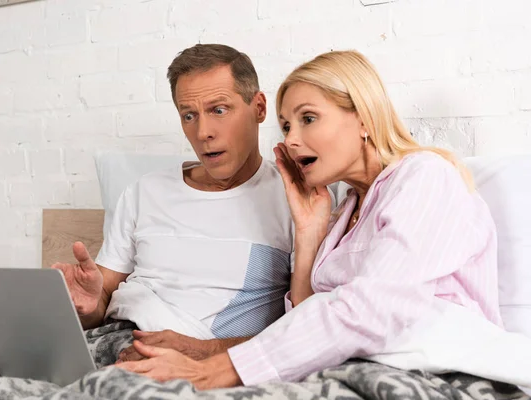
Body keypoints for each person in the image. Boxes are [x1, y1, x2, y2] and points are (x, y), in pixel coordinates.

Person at [113, 50, 531, 390]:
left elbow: (370, 310)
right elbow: (307, 325)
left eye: (308, 119)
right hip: (348, 363)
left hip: (439, 372)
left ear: (364, 118)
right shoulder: (348, 207)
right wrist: (310, 233)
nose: (291, 139)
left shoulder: (425, 177)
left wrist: (216, 370)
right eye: (286, 125)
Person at [52, 44, 295, 363]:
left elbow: (304, 330)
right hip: (112, 341)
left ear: (259, 108)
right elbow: (99, 303)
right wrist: (85, 306)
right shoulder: (145, 191)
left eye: (219, 110)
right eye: (189, 116)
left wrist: (204, 352)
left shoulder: (293, 198)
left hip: (207, 359)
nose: (203, 132)